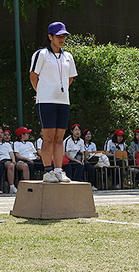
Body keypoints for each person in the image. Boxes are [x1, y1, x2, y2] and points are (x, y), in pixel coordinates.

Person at [29, 21, 76, 183]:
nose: (61, 39)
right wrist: (41, 93)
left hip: (63, 101)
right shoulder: (41, 54)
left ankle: (58, 170)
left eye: (64, 36)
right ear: (50, 36)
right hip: (46, 102)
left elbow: (70, 78)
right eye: (58, 36)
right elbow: (33, 76)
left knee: (59, 137)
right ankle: (47, 170)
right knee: (48, 137)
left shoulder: (68, 56)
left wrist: (59, 90)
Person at [63, 124, 97, 190]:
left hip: (79, 159)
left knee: (91, 168)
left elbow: (82, 152)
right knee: (80, 166)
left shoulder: (81, 141)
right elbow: (67, 154)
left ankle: (91, 185)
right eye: (75, 130)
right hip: (69, 159)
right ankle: (76, 181)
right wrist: (77, 161)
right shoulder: (68, 140)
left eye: (78, 130)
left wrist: (82, 160)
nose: (77, 132)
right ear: (72, 131)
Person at [0, 127, 18, 194]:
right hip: (0, 160)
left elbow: (11, 153)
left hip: (6, 160)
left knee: (11, 165)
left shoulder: (7, 144)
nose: (0, 134)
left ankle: (12, 186)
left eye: (2, 133)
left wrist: (13, 160)